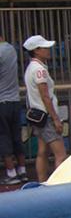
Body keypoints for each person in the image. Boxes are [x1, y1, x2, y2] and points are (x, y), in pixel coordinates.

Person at [23, 35, 66, 183]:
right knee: (60, 154)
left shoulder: (30, 68)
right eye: (44, 48)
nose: (48, 50)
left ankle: (42, 181)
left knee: (43, 151)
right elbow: (45, 96)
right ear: (36, 50)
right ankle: (59, 184)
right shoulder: (39, 70)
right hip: (46, 116)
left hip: (37, 116)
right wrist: (55, 119)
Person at [0, 31, 26, 184]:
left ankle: (11, 173)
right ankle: (22, 171)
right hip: (15, 101)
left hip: (2, 102)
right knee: (17, 137)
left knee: (3, 137)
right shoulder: (10, 49)